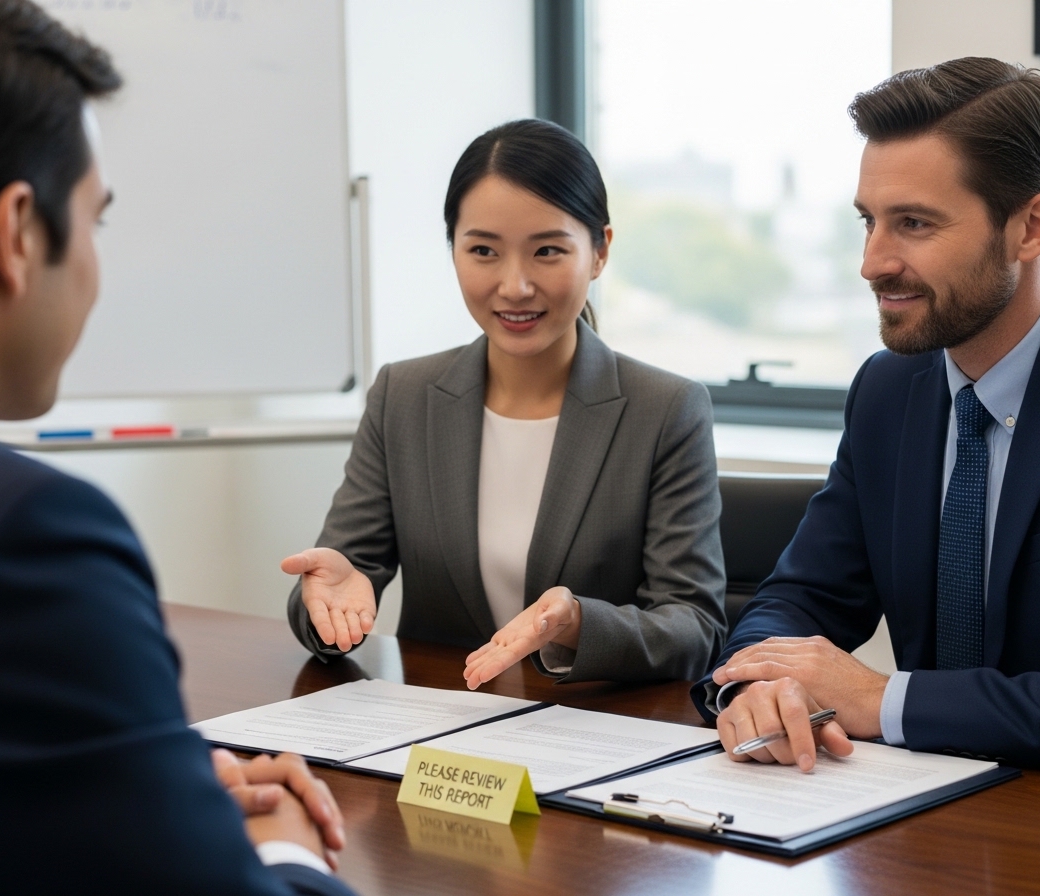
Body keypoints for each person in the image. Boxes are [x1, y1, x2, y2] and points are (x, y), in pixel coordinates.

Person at [0, 1, 357, 891]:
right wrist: (282, 843)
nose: (95, 262)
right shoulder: (16, 536)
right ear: (15, 233)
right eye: (97, 220)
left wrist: (132, 784)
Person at [693, 57, 1040, 775]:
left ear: (1033, 227)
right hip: (913, 825)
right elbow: (799, 598)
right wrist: (758, 687)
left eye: (914, 224)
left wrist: (886, 701)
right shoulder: (888, 389)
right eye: (870, 221)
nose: (872, 262)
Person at [285, 119, 727, 688]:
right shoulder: (405, 396)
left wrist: (578, 624)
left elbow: (694, 627)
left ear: (599, 252)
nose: (514, 286)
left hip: (590, 732)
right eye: (484, 251)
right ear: (454, 252)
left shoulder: (666, 410)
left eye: (547, 250)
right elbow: (338, 579)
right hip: (439, 748)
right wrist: (324, 609)